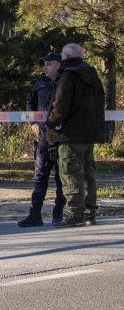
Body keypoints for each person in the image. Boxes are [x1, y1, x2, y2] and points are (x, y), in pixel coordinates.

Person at [46, 43, 106, 228]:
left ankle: (74, 214)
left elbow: (60, 107)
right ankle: (90, 213)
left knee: (71, 173)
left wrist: (50, 123)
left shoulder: (68, 76)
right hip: (90, 134)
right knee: (88, 175)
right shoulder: (92, 75)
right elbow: (100, 102)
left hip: (70, 135)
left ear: (65, 56)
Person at [18, 52, 65, 227]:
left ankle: (58, 213)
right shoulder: (39, 82)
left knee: (61, 177)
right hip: (43, 138)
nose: (45, 67)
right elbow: (30, 103)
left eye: (48, 64)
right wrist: (33, 122)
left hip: (61, 137)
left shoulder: (66, 82)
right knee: (40, 176)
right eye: (44, 64)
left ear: (58, 65)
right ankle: (35, 214)